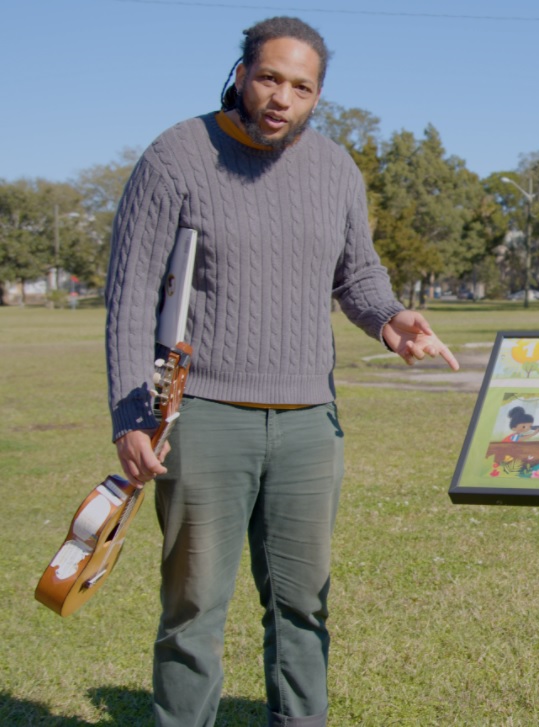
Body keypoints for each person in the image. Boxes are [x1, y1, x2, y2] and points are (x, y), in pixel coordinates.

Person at [105, 16, 458, 727]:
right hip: (202, 416)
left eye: (301, 86)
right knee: (194, 607)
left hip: (307, 425)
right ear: (240, 74)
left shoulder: (334, 169)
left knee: (304, 605)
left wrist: (391, 321)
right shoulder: (176, 155)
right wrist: (132, 415)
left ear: (316, 97)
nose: (280, 98)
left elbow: (357, 274)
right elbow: (130, 294)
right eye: (269, 77)